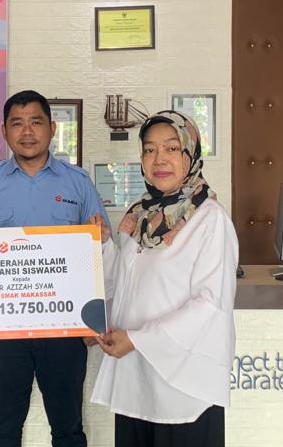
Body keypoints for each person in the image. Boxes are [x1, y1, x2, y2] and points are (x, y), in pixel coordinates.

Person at [0, 90, 111, 447]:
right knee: (4, 430)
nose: (27, 131)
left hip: (65, 329)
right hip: (4, 332)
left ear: (52, 128)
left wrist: (101, 238)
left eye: (36, 122)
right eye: (17, 123)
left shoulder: (77, 182)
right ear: (4, 131)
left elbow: (102, 252)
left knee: (68, 430)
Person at [90, 110, 238, 447]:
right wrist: (102, 245)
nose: (159, 159)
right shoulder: (138, 215)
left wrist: (138, 339)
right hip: (136, 383)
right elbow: (124, 283)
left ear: (190, 155)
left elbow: (209, 305)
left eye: (171, 148)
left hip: (184, 388)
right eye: (149, 149)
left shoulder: (209, 219)